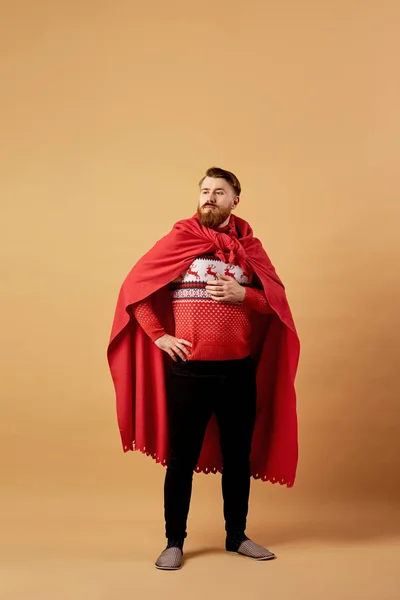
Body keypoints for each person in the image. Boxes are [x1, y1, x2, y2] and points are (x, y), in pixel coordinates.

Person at [107, 167, 300, 570]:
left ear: (235, 200)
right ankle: (174, 541)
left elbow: (276, 304)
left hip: (238, 372)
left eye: (219, 192)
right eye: (204, 191)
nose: (209, 198)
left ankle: (237, 535)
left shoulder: (251, 250)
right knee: (182, 459)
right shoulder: (180, 241)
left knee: (238, 458)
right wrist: (159, 336)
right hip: (189, 373)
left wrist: (243, 294)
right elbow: (135, 291)